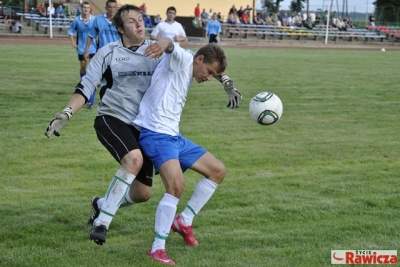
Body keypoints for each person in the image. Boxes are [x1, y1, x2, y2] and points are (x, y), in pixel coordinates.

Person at [45, 4, 241, 248]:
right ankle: (102, 223)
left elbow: (197, 58)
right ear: (119, 28)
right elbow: (87, 85)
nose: (139, 24)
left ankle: (101, 204)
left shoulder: (155, 49)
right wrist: (66, 112)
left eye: (140, 19)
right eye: (131, 21)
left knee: (142, 194)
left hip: (141, 126)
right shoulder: (108, 53)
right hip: (112, 118)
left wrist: (227, 82)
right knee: (134, 160)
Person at [133, 43, 241, 265]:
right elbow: (172, 46)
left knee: (217, 171)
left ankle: (184, 220)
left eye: (213, 75)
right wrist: (164, 43)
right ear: (199, 60)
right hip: (156, 135)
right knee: (176, 186)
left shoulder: (194, 60)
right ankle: (157, 248)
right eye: (209, 72)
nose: (209, 78)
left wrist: (227, 83)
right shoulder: (181, 59)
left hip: (174, 136)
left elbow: (210, 65)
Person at [83, 0, 120, 109]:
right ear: (106, 7)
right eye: (110, 7)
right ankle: (94, 101)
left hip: (117, 55)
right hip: (102, 55)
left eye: (114, 7)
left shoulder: (120, 21)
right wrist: (86, 51)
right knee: (99, 79)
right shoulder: (98, 20)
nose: (112, 9)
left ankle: (113, 103)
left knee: (116, 81)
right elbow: (91, 36)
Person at [67, 2, 97, 79]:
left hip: (93, 47)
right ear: (81, 9)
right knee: (83, 66)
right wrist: (73, 43)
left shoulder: (94, 19)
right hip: (81, 47)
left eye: (87, 7)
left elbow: (99, 31)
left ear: (90, 9)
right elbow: (71, 32)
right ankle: (83, 81)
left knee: (93, 66)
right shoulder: (77, 20)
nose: (86, 9)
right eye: (84, 7)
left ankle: (92, 82)